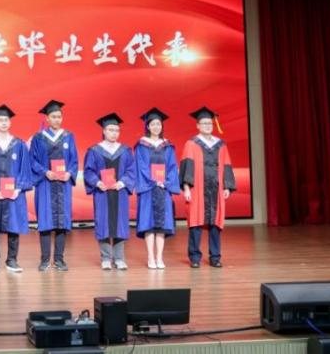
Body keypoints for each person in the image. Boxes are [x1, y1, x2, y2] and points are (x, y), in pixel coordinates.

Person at [181, 105, 236, 268]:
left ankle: (215, 257)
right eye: (204, 123)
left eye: (210, 123)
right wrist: (186, 188)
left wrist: (227, 186)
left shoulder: (221, 144)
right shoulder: (191, 143)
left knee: (215, 224)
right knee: (195, 223)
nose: (207, 126)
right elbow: (187, 166)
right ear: (197, 125)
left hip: (216, 189)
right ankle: (195, 257)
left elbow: (226, 165)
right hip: (197, 188)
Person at [0, 104, 32, 273]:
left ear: (10, 122)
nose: (3, 123)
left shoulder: (19, 144)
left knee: (13, 226)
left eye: (6, 120)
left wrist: (18, 189)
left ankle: (12, 260)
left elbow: (24, 168)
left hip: (14, 194)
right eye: (0, 120)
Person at [29, 99, 77, 271]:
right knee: (45, 221)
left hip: (63, 185)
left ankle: (59, 260)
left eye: (59, 117)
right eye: (53, 117)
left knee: (61, 222)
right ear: (47, 119)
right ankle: (44, 260)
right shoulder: (38, 138)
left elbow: (74, 159)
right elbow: (32, 160)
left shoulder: (68, 136)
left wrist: (69, 173)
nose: (57, 120)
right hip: (45, 184)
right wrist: (45, 172)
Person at [83, 113, 136, 270]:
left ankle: (119, 258)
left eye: (117, 130)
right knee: (103, 223)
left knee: (120, 224)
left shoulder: (125, 150)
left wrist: (122, 182)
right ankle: (106, 258)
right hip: (102, 192)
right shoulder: (94, 150)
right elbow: (88, 171)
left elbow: (131, 170)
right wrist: (98, 182)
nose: (114, 133)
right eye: (111, 130)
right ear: (104, 131)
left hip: (120, 192)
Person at [134, 107, 180, 269]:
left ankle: (159, 257)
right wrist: (153, 181)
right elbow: (141, 166)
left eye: (158, 124)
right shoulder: (141, 145)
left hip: (163, 189)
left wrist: (165, 182)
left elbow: (172, 167)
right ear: (147, 126)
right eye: (153, 124)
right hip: (148, 189)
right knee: (149, 224)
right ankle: (150, 257)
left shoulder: (168, 146)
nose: (156, 127)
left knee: (162, 226)